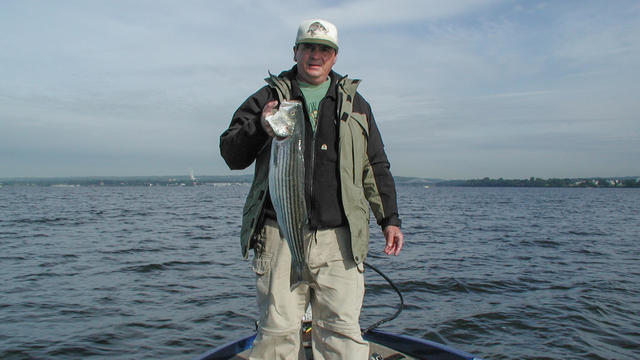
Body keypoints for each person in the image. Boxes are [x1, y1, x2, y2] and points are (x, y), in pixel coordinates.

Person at [220, 19, 404, 360]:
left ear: (335, 57)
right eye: (308, 48)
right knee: (277, 332)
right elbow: (231, 152)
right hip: (279, 236)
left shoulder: (356, 104)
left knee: (342, 333)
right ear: (295, 52)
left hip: (340, 240)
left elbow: (375, 166)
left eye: (325, 50)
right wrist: (261, 126)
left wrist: (389, 219)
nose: (316, 56)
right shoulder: (268, 98)